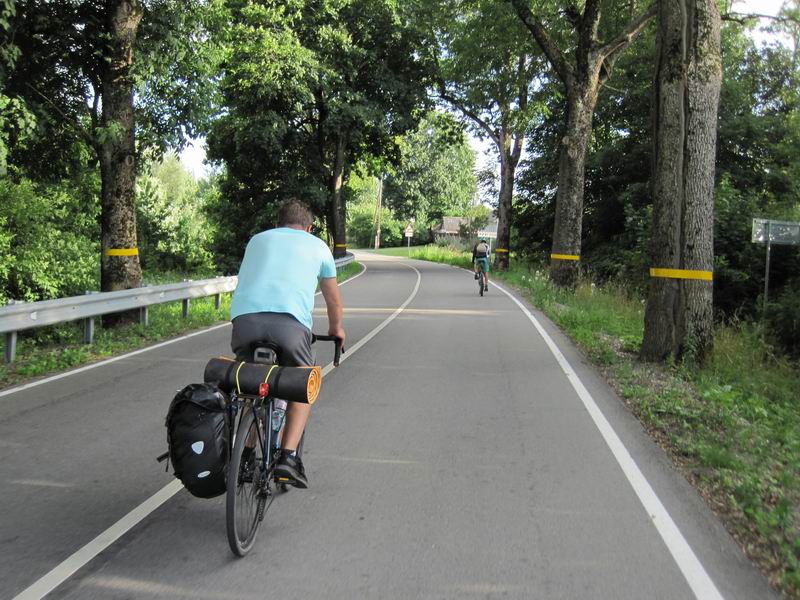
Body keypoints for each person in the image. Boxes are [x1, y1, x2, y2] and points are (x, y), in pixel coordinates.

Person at [229, 199, 346, 488]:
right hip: (290, 328)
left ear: (278, 223)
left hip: (245, 323)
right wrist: (336, 330)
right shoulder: (317, 246)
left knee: (251, 385)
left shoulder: (257, 240)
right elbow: (333, 299)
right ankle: (288, 457)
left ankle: (243, 456)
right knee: (305, 382)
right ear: (309, 227)